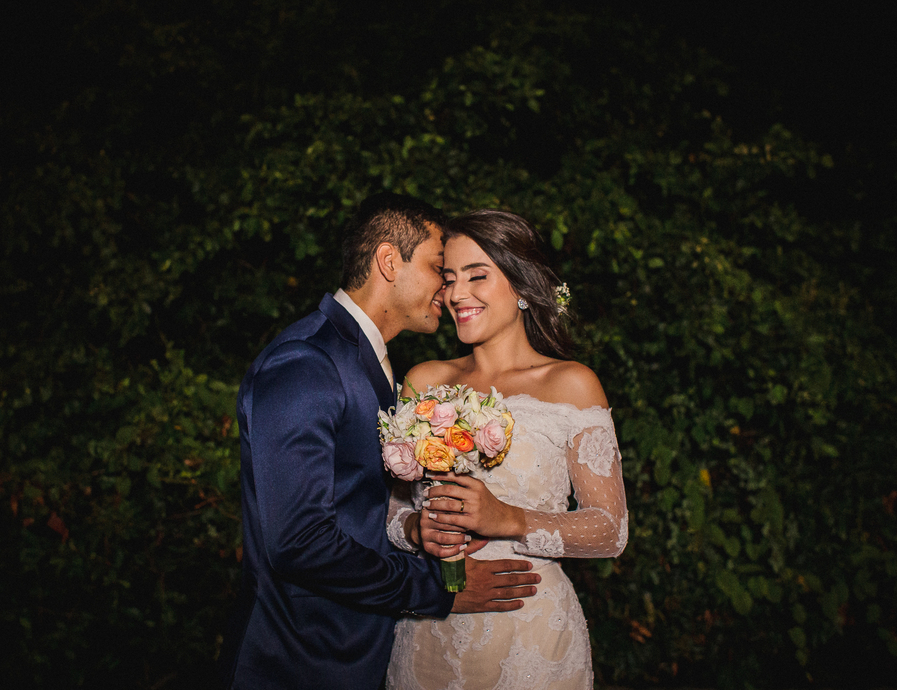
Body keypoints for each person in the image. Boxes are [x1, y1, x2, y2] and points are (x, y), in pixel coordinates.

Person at [222, 194, 542, 690]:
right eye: (440, 268)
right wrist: (438, 591)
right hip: (297, 660)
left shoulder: (369, 363)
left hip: (359, 656)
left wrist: (416, 529)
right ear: (389, 261)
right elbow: (299, 543)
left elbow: (363, 505)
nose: (449, 287)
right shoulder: (305, 365)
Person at [384, 209, 629, 690]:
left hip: (530, 635)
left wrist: (510, 519)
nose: (456, 294)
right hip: (430, 629)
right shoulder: (423, 381)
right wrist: (416, 529)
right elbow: (387, 506)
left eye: (478, 276)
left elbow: (610, 530)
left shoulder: (571, 384)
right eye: (449, 278)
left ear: (520, 286)